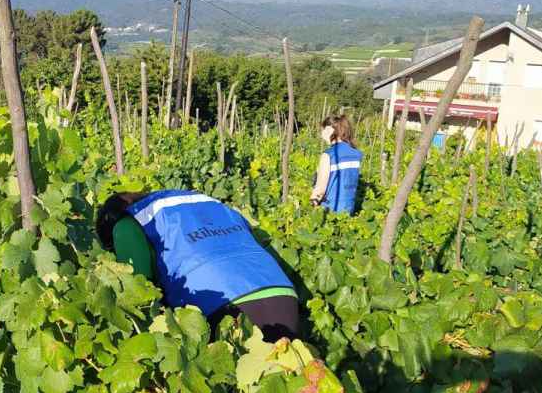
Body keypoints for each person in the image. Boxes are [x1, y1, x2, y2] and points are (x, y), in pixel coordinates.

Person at [96, 190, 299, 341]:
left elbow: (140, 288)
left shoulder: (127, 223)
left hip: (222, 304)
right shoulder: (201, 200)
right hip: (281, 291)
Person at [310, 114, 362, 213]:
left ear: (330, 130)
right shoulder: (356, 154)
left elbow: (320, 189)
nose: (322, 133)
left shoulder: (329, 155)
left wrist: (311, 205)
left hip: (330, 209)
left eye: (323, 129)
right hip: (349, 208)